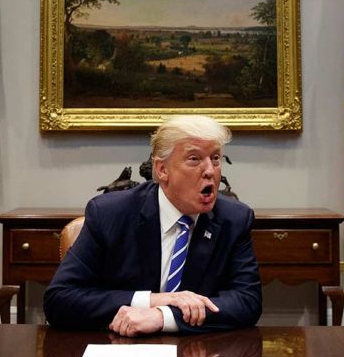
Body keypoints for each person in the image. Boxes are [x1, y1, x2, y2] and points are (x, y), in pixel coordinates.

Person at [44, 115, 262, 336]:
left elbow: (247, 301)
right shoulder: (110, 214)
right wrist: (154, 300)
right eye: (194, 159)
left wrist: (162, 316)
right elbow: (60, 299)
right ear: (162, 170)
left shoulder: (233, 219)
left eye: (215, 159)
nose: (210, 171)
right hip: (121, 352)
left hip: (199, 356)